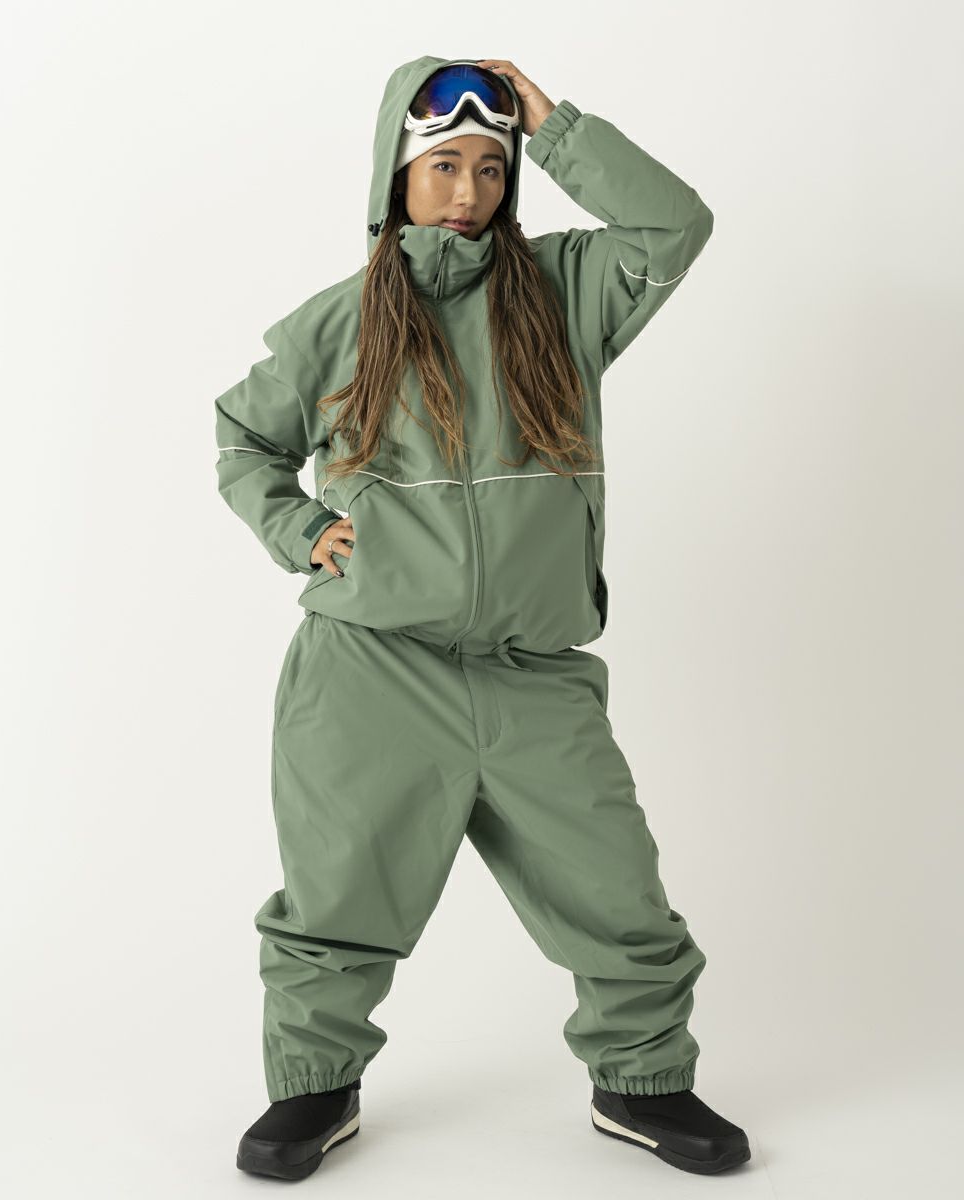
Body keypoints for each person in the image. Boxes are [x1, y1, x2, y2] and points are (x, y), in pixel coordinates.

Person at [215, 55, 750, 1181]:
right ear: (396, 177)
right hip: (370, 670)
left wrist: (555, 127)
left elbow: (675, 227)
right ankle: (313, 1089)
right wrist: (300, 530)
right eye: (443, 165)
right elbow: (244, 440)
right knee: (338, 896)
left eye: (491, 169)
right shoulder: (338, 324)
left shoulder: (565, 294)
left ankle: (642, 1082)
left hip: (533, 672)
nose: (467, 191)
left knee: (617, 889)